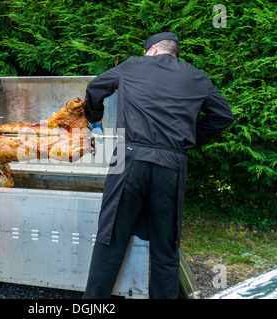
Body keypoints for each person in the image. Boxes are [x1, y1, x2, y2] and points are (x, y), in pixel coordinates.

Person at [83, 32, 234, 299]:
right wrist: (188, 140)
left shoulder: (131, 65)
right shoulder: (197, 77)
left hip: (128, 155)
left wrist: (94, 119)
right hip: (172, 162)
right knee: (166, 248)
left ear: (152, 50)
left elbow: (95, 88)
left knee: (111, 240)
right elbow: (223, 115)